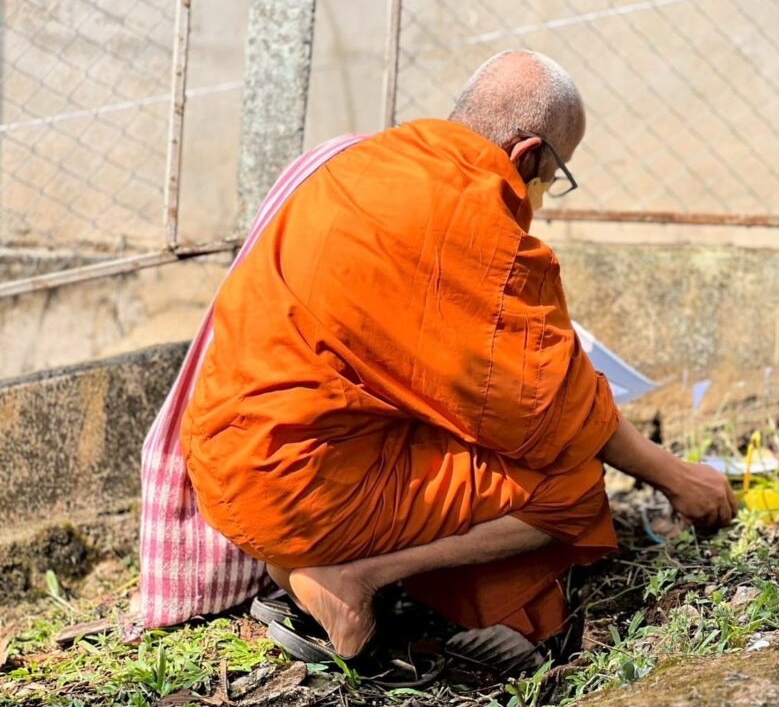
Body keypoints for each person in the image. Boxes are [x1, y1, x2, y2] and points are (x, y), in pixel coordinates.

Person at [181, 49, 737, 659]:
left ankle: (297, 568)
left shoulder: (364, 161)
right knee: (571, 483)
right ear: (527, 155)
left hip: (221, 460)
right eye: (555, 175)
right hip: (298, 488)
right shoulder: (470, 221)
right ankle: (353, 579)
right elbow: (554, 412)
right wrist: (676, 477)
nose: (545, 192)